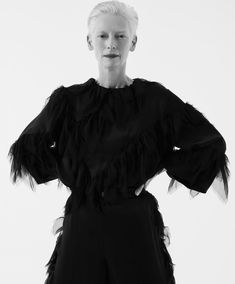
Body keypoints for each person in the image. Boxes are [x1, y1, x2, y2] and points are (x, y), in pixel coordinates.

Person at [8, 1, 230, 284]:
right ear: (89, 41)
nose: (111, 43)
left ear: (133, 42)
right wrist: (81, 178)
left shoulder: (155, 101)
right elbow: (27, 148)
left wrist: (160, 162)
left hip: (134, 229)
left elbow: (209, 143)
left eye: (120, 36)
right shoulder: (68, 102)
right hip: (82, 228)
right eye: (102, 35)